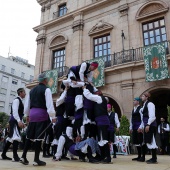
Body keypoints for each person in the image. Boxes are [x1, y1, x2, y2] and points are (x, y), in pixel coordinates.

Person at [20, 72, 56, 166]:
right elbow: (49, 104)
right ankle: (36, 160)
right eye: (47, 79)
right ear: (45, 80)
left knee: (29, 136)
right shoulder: (46, 90)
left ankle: (23, 156)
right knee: (38, 137)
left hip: (32, 114)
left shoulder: (31, 91)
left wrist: (27, 115)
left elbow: (27, 105)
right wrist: (53, 116)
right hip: (41, 114)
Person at [83, 87, 112, 163]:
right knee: (100, 140)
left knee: (103, 139)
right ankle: (102, 156)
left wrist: (84, 88)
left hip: (102, 122)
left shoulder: (99, 98)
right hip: (100, 122)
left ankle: (108, 158)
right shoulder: (102, 99)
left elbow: (88, 96)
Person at [1, 88, 26, 161]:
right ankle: (15, 156)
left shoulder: (20, 101)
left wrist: (22, 122)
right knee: (17, 137)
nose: (25, 94)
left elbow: (20, 114)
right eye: (24, 92)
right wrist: (18, 121)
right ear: (20, 92)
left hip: (15, 121)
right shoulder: (16, 100)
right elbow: (15, 112)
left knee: (11, 139)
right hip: (14, 121)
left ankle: (3, 155)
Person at [138, 92, 158, 164]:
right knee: (149, 140)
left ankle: (154, 158)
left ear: (147, 97)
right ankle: (153, 158)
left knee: (152, 140)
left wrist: (148, 124)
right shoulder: (144, 105)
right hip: (147, 124)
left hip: (150, 125)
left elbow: (152, 116)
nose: (142, 97)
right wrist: (141, 126)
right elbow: (143, 118)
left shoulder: (150, 104)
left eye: (143, 96)